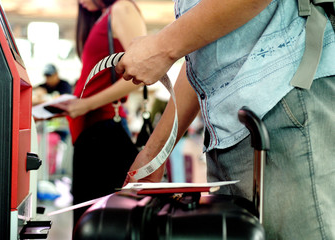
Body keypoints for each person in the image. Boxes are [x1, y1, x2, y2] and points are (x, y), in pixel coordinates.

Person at [116, 0, 335, 239]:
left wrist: (162, 46)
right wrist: (154, 154)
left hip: (280, 102)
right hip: (231, 134)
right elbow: (200, 63)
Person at [56, 0, 146, 226]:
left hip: (104, 132)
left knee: (100, 224)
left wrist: (86, 104)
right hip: (91, 134)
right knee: (90, 222)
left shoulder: (121, 9)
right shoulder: (103, 17)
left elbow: (142, 71)